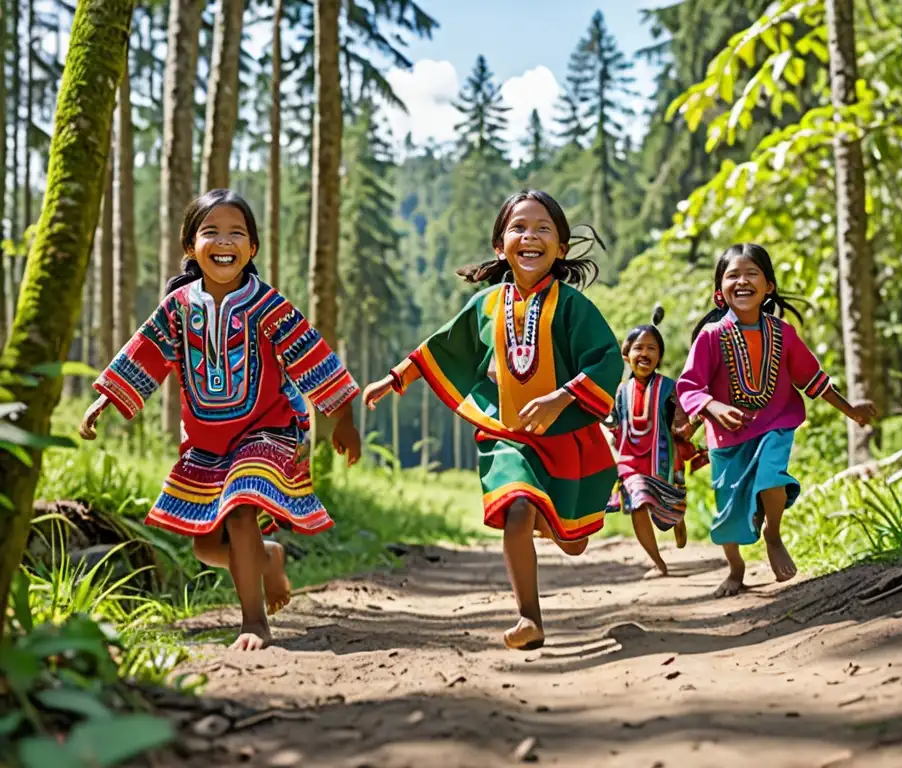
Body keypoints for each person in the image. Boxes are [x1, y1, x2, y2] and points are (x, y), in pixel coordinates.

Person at [79, 188, 362, 650]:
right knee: (207, 546)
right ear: (191, 247)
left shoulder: (268, 305)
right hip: (207, 443)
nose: (224, 241)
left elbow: (313, 356)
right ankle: (268, 559)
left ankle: (253, 624)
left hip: (268, 428)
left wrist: (342, 417)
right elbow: (146, 353)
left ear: (252, 248)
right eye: (211, 232)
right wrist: (106, 398)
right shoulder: (177, 307)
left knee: (242, 505)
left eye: (237, 233)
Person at [362, 189, 621, 651]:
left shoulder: (572, 306)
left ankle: (554, 517)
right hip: (506, 435)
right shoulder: (484, 304)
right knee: (516, 506)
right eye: (519, 227)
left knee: (574, 540)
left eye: (544, 228)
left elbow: (605, 360)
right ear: (500, 247)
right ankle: (529, 618)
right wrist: (394, 379)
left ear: (561, 248)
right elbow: (443, 345)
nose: (531, 236)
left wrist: (561, 398)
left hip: (565, 435)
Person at [676, 243, 875, 598]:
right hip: (726, 439)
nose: (742, 281)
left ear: (769, 286)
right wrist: (713, 409)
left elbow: (813, 380)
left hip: (774, 423)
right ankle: (736, 569)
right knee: (730, 515)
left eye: (752, 273)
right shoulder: (710, 337)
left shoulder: (783, 333)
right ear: (718, 292)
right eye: (732, 275)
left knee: (772, 477)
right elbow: (690, 386)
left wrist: (851, 411)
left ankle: (773, 533)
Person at [605, 305, 708, 578]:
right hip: (630, 463)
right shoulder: (619, 391)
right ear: (627, 356)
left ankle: (677, 518)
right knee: (638, 504)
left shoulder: (669, 388)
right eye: (639, 348)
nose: (645, 353)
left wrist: (697, 420)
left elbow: (681, 425)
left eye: (652, 348)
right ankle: (657, 563)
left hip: (665, 461)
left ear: (660, 356)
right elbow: (613, 423)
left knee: (668, 510)